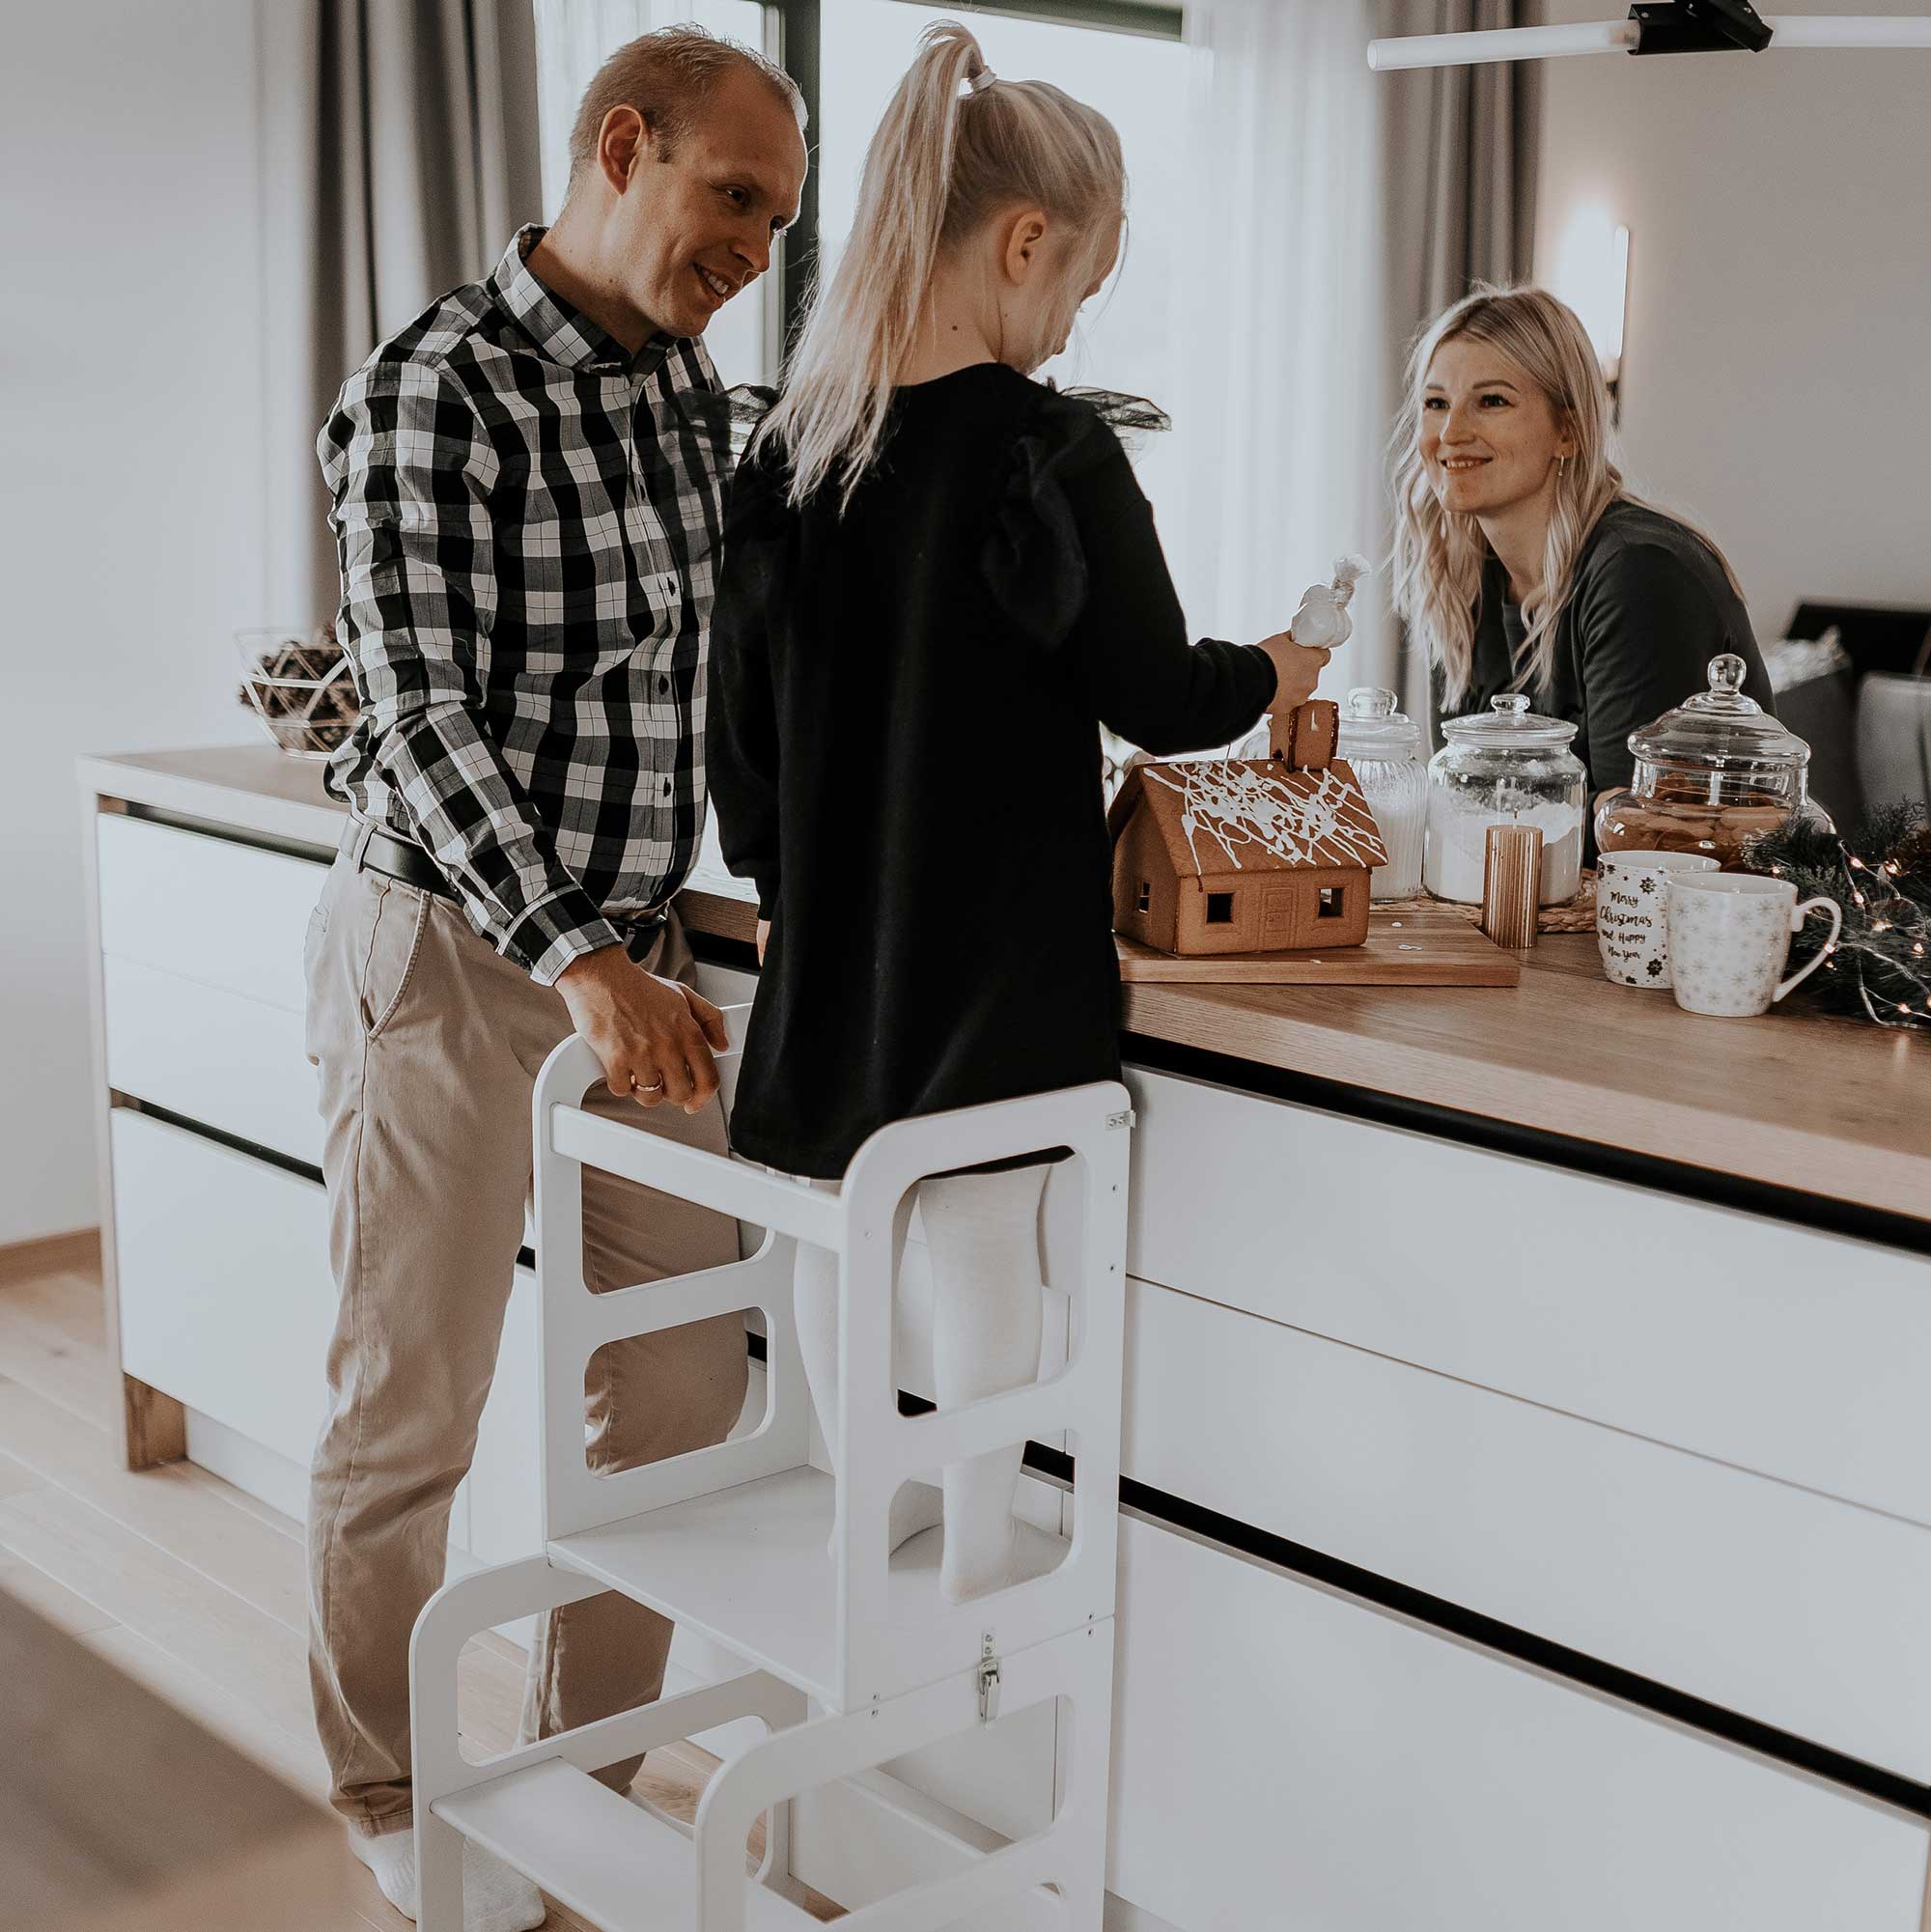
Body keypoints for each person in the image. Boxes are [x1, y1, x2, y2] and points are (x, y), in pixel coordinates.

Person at [706, 21, 1329, 1604]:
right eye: (1081, 284)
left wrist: (792, 887)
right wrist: (1280, 661)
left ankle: (871, 1513)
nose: (1071, 322)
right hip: (995, 976)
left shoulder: (791, 449)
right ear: (1026, 239)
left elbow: (742, 751)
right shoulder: (1047, 452)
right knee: (991, 1268)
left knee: (845, 1246)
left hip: (832, 965)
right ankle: (980, 1552)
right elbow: (1157, 694)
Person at [304, 28, 807, 1929]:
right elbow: (419, 710)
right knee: (405, 1408)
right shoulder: (438, 386)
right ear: (623, 147)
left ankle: (577, 1775)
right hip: (451, 952)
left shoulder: (700, 401)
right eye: (732, 199)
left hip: (643, 967)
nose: (755, 246)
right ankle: (382, 1784)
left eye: (778, 217)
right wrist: (574, 948)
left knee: (679, 1397)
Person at [1389, 285, 1774, 803]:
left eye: (1491, 401)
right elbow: (1466, 805)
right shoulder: (1461, 577)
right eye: (1436, 403)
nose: (1452, 430)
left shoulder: (1639, 572)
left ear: (1567, 431)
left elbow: (1627, 835)